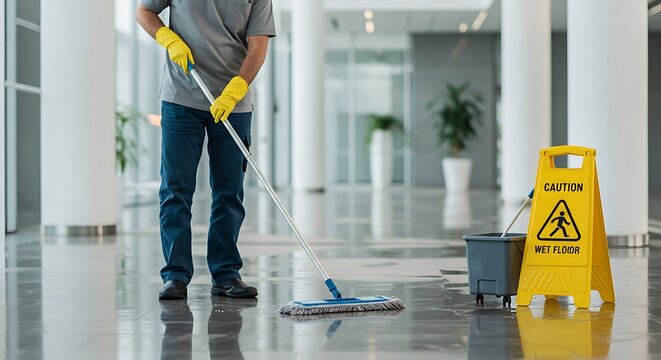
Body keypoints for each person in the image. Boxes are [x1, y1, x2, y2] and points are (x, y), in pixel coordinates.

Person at [136, 0, 276, 300]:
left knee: (229, 191)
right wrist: (167, 38)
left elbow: (258, 46)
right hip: (180, 99)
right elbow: (144, 11)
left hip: (233, 102)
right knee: (175, 189)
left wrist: (237, 87)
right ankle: (175, 275)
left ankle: (226, 274)